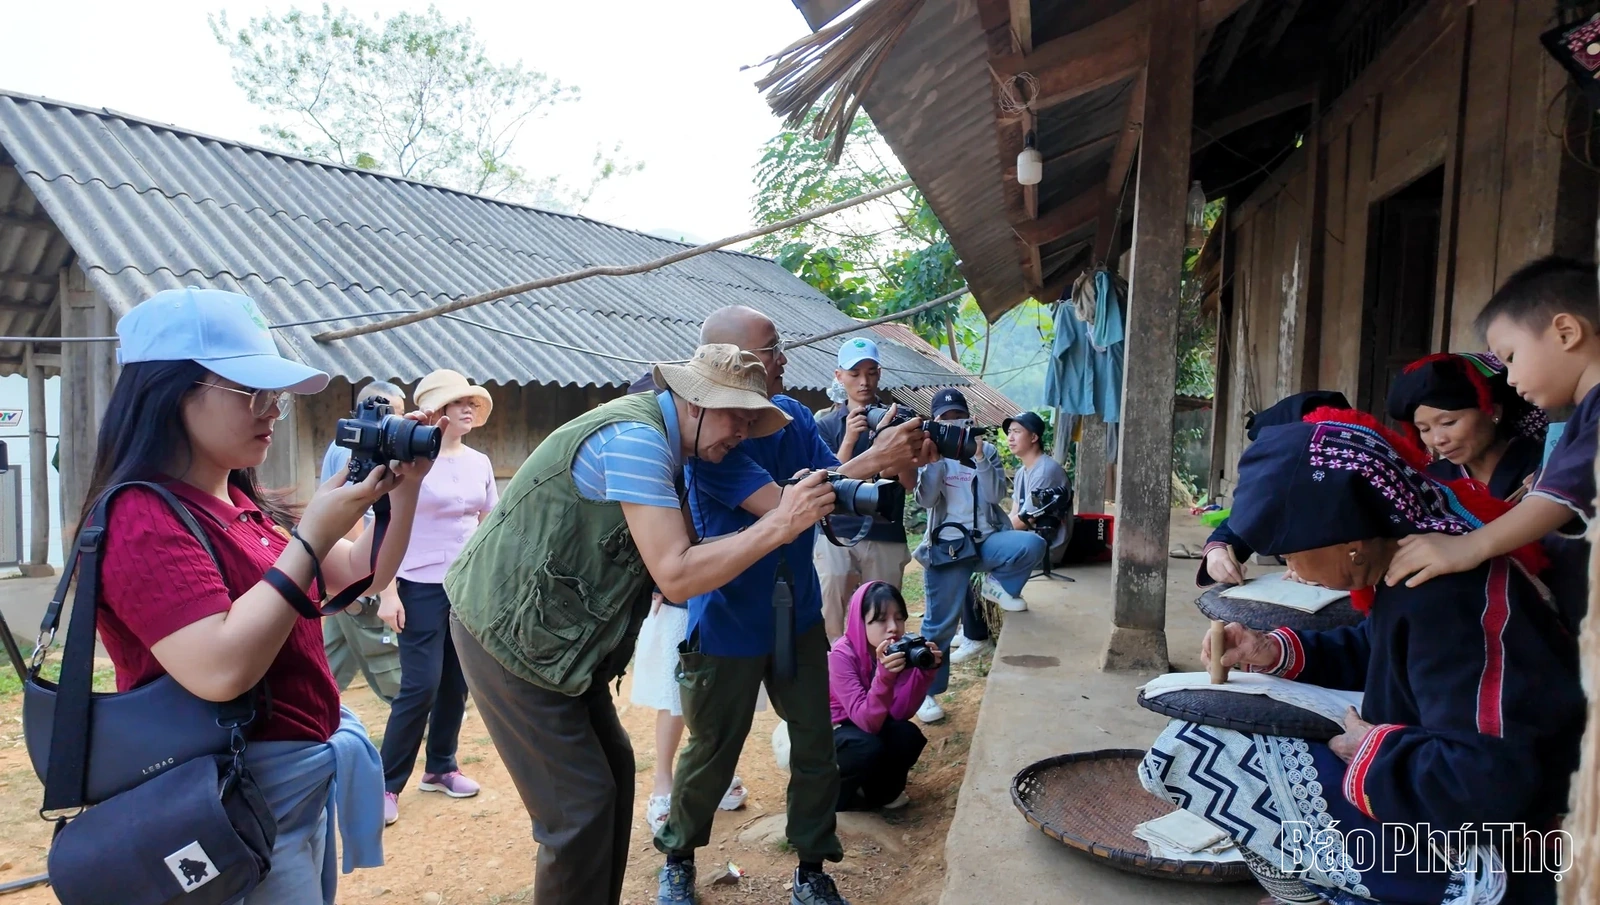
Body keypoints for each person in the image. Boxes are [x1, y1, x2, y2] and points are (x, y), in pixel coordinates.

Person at [445, 343, 840, 905]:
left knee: (613, 780)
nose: (746, 433)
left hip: (561, 646)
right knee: (579, 809)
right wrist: (781, 524)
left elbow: (684, 556)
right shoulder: (636, 444)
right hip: (511, 640)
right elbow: (677, 575)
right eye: (738, 416)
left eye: (755, 420)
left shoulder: (675, 452)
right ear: (695, 402)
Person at [1141, 408, 1581, 904]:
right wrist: (1270, 651)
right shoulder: (1414, 565)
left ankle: (1387, 890)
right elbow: (1378, 647)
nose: (1292, 570)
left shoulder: (1451, 598)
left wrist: (1372, 749)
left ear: (1351, 547)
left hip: (1513, 845)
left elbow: (1486, 782)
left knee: (1201, 748)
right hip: (1449, 784)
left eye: (1291, 554)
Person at [91, 287, 436, 902]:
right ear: (170, 394)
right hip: (229, 796)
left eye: (275, 395)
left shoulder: (243, 502)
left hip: (287, 784)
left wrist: (402, 490)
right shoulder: (141, 518)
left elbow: (363, 571)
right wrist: (309, 536)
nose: (273, 410)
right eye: (252, 393)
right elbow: (220, 668)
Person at [654, 306, 935, 905]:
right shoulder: (714, 442)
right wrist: (876, 456)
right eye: (772, 348)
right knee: (710, 753)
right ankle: (678, 855)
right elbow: (787, 507)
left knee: (815, 744)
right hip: (729, 619)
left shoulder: (799, 418)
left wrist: (896, 465)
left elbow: (837, 491)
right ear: (734, 366)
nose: (784, 357)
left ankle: (811, 867)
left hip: (800, 616)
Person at [1385, 257, 1600, 632]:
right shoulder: (1583, 417)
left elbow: (1558, 500)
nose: (1511, 378)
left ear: (1566, 332)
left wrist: (1469, 547)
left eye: (1512, 358)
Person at [376, 369, 498, 825]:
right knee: (420, 685)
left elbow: (488, 522)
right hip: (417, 583)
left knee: (456, 682)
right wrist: (386, 593)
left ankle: (441, 767)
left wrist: (488, 580)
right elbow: (382, 528)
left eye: (472, 403)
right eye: (457, 403)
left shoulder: (479, 462)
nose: (467, 409)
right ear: (436, 412)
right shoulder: (405, 460)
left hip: (465, 585)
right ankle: (386, 784)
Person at [912, 388, 1046, 724]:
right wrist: (934, 464)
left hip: (985, 541)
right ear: (936, 423)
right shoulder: (930, 454)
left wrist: (982, 459)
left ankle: (995, 586)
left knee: (1031, 545)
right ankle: (925, 693)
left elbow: (994, 494)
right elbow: (926, 501)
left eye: (959, 417)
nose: (954, 424)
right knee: (939, 626)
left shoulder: (984, 452)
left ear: (969, 419)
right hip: (948, 549)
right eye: (947, 419)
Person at [812, 337, 913, 639]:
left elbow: (907, 484)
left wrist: (891, 445)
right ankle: (835, 677)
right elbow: (823, 481)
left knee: (885, 617)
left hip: (884, 530)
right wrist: (848, 440)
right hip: (835, 530)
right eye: (854, 374)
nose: (864, 381)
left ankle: (885, 675)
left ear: (880, 373)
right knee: (830, 611)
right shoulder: (825, 424)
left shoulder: (899, 420)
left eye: (871, 372)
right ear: (839, 376)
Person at [1197, 390, 1350, 588]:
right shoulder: (1279, 493)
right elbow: (1236, 527)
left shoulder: (1362, 494)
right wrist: (1216, 554)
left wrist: (1323, 570)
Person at [630, 586, 750, 834]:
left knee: (725, 687)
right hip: (682, 589)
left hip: (732, 589)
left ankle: (719, 774)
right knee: (675, 693)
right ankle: (663, 783)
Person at [320, 380, 409, 705]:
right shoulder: (361, 448)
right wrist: (382, 586)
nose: (400, 422)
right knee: (382, 651)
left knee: (333, 652)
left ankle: (314, 707)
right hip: (358, 566)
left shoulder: (342, 442)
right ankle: (414, 715)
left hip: (338, 566)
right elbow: (353, 517)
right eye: (394, 413)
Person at [828, 581, 938, 812]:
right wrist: (885, 676)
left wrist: (924, 674)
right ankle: (835, 799)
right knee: (864, 746)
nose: (893, 627)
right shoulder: (840, 656)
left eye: (899, 618)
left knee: (908, 735)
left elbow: (900, 713)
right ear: (860, 623)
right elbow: (866, 721)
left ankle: (878, 794)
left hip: (871, 722)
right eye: (880, 619)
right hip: (836, 728)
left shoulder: (896, 651)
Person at [1386, 351, 1547, 500]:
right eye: (1424, 429)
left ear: (1493, 411)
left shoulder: (1546, 466)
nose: (1437, 440)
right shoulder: (1431, 481)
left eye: (1448, 423)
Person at [1004, 410, 1069, 560]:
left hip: (1044, 548)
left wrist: (993, 534)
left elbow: (1026, 519)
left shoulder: (1044, 472)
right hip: (1026, 541)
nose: (1010, 438)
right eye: (1009, 432)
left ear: (1034, 437)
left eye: (1017, 432)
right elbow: (1014, 513)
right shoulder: (1022, 471)